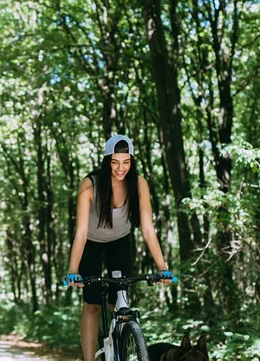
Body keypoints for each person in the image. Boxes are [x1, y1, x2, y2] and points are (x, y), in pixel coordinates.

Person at [64, 134, 172, 361]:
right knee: (92, 304)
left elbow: (148, 229)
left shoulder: (138, 183)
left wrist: (163, 267)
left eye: (126, 162)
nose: (121, 168)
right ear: (107, 161)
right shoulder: (89, 185)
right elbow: (81, 232)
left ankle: (121, 349)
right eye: (115, 162)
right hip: (91, 243)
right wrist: (73, 270)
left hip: (120, 242)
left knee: (119, 303)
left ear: (131, 161)